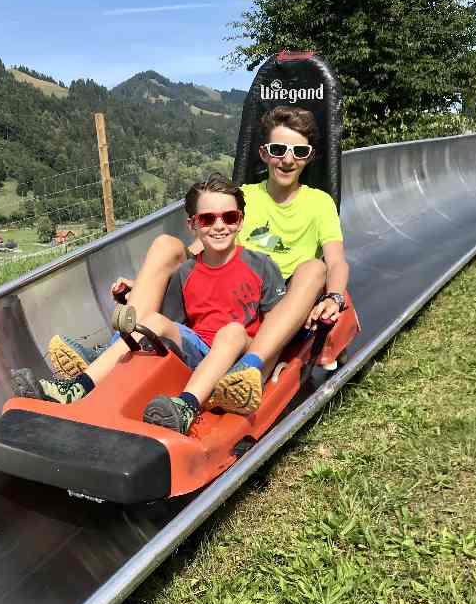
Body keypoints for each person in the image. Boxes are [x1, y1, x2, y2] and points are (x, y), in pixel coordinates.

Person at [46, 106, 350, 414]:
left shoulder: (318, 202)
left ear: (309, 156)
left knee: (315, 267)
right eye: (278, 149)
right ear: (264, 153)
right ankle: (114, 349)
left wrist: (335, 298)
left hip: (282, 303)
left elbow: (336, 260)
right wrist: (149, 283)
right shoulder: (243, 197)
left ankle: (249, 369)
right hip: (228, 288)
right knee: (166, 245)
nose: (287, 159)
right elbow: (198, 250)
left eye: (299, 151)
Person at [15, 173, 286, 434]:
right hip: (200, 352)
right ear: (192, 225)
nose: (219, 226)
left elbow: (278, 323)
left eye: (229, 217)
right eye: (207, 219)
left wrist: (277, 364)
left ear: (240, 221)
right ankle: (77, 388)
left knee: (232, 331)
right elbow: (168, 325)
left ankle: (186, 408)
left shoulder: (260, 265)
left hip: (239, 359)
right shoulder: (186, 274)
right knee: (153, 322)